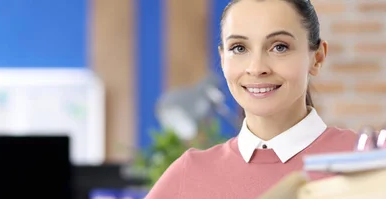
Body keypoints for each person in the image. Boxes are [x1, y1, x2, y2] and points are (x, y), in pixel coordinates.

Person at [145, 0, 368, 198]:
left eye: (280, 47)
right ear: (223, 60)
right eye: (239, 48)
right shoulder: (189, 174)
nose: (257, 68)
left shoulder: (366, 159)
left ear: (317, 58)